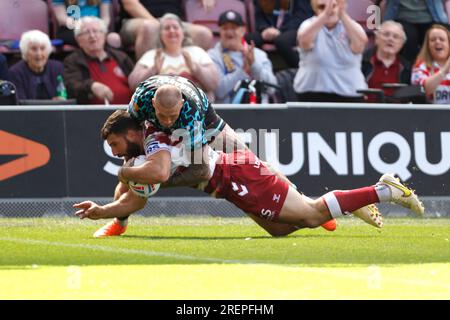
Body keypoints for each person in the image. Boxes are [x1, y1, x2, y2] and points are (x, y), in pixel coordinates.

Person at [74, 104, 424, 236]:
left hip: (235, 174)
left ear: (129, 133)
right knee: (279, 230)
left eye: (115, 145)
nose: (114, 154)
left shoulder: (152, 145)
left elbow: (153, 179)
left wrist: (124, 180)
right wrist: (106, 211)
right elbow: (136, 195)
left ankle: (387, 190)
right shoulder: (142, 154)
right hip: (228, 182)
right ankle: (347, 204)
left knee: (312, 216)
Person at [128, 13, 219, 100]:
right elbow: (133, 86)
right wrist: (153, 70)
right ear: (160, 35)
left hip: (195, 110)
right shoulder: (151, 55)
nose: (172, 31)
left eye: (175, 27)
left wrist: (195, 68)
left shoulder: (197, 51)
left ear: (183, 32)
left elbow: (213, 84)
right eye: (167, 28)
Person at [294, 0, 368, 102]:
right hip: (312, 92)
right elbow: (304, 42)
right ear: (315, 10)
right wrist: (324, 16)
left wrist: (343, 15)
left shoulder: (351, 25)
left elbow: (360, 45)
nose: (329, 10)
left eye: (334, 6)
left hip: (349, 93)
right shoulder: (308, 24)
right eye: (322, 7)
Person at [208, 10, 278, 103]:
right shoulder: (213, 56)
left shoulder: (258, 54)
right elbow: (219, 91)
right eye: (225, 28)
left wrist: (254, 65)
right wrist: (243, 71)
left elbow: (272, 88)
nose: (229, 32)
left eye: (234, 28)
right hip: (228, 113)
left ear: (243, 30)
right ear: (220, 31)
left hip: (259, 112)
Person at [63, 16, 134, 104]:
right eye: (86, 32)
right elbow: (72, 86)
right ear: (78, 40)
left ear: (104, 35)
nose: (92, 36)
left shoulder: (121, 57)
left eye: (96, 31)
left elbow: (135, 82)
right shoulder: (72, 61)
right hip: (93, 114)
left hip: (128, 112)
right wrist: (91, 86)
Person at [119, 0, 214, 60]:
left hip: (174, 21)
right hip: (138, 21)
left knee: (203, 34)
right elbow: (130, 4)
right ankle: (149, 84)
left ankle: (186, 79)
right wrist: (160, 25)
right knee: (150, 27)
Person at [246, 0, 314, 68]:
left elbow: (301, 17)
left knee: (282, 41)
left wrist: (280, 31)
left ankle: (299, 68)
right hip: (268, 30)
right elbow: (259, 15)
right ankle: (255, 68)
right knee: (249, 39)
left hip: (292, 29)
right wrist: (264, 29)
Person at [383, 0, 450, 65]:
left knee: (440, 37)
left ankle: (442, 70)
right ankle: (408, 71)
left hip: (432, 17)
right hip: (403, 17)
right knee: (408, 38)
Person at [362, 20, 410, 101]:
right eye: (386, 34)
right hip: (366, 110)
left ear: (402, 44)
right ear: (376, 38)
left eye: (396, 37)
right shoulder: (362, 62)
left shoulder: (407, 68)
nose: (390, 39)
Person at [9, 30, 65, 100]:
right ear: (25, 51)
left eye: (42, 48)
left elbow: (63, 95)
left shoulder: (57, 68)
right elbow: (20, 102)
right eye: (34, 49)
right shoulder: (16, 72)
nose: (39, 54)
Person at [51, 0, 121, 48]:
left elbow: (105, 18)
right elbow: (62, 18)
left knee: (114, 38)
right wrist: (83, 25)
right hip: (71, 28)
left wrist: (97, 27)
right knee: (87, 36)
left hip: (97, 26)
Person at [411, 24, 450, 104]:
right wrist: (445, 69)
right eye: (433, 40)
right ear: (428, 46)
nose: (437, 42)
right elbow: (424, 90)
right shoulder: (420, 66)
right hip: (430, 114)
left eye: (442, 39)